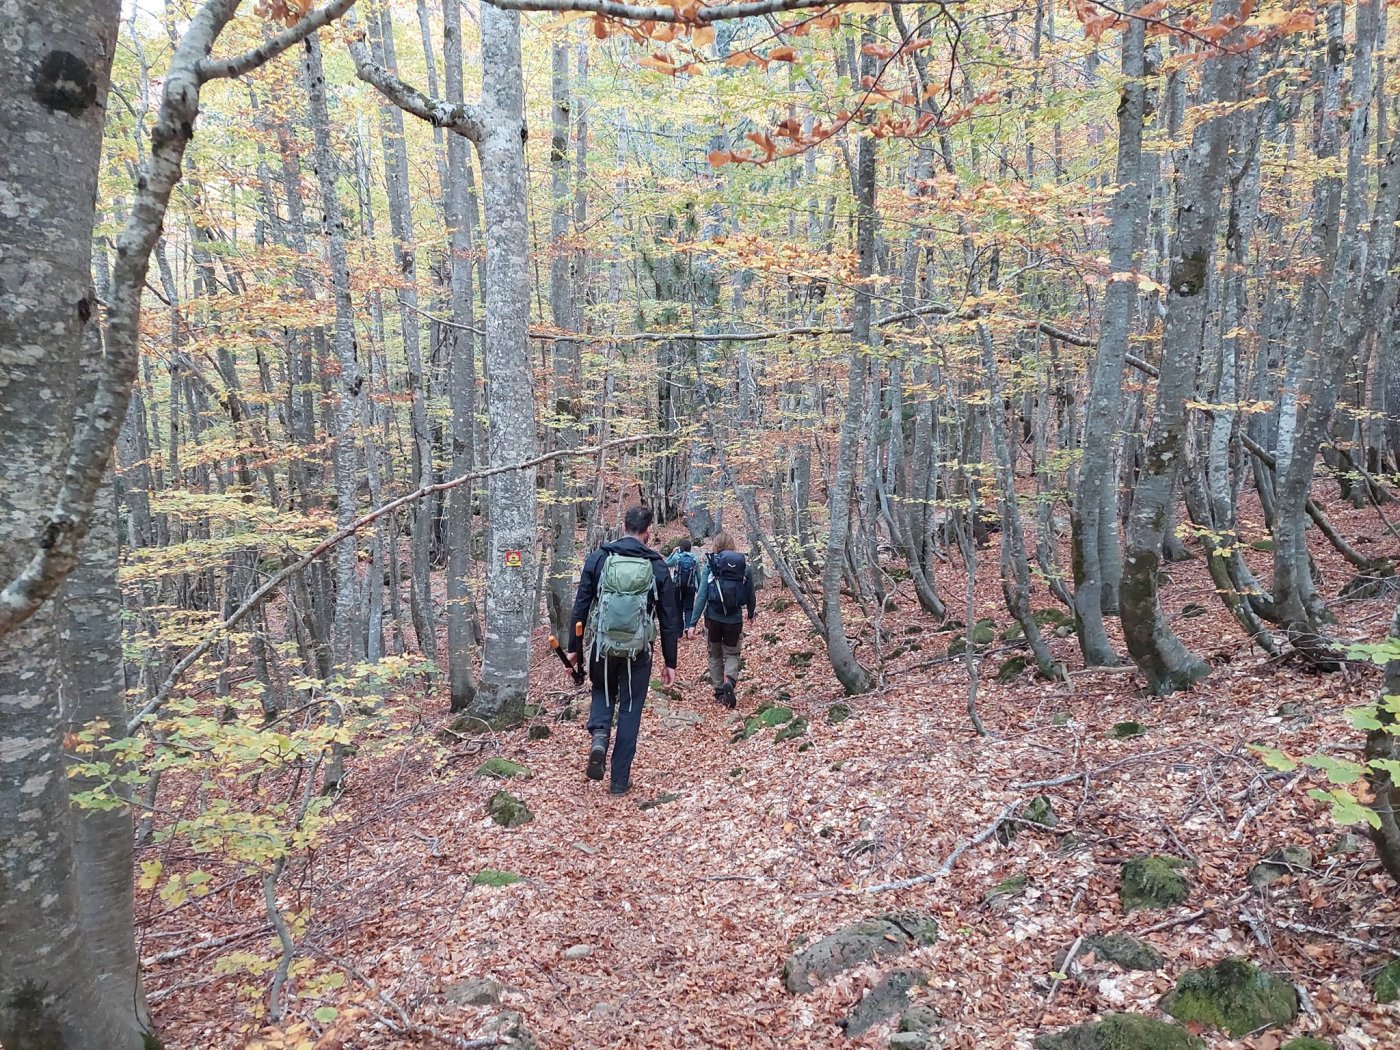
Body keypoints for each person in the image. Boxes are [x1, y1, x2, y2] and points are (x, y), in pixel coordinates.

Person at [569, 505, 680, 796]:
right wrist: (671, 661)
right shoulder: (656, 565)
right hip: (638, 653)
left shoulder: (600, 558)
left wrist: (574, 649)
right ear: (648, 532)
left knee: (602, 692)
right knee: (630, 709)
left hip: (602, 648)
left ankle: (600, 736)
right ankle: (619, 781)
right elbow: (669, 618)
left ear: (623, 526)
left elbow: (580, 606)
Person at [685, 531, 756, 708]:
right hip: (734, 619)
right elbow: (750, 593)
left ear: (715, 546)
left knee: (715, 654)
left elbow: (701, 596)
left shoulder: (710, 566)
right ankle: (729, 681)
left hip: (713, 619)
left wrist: (692, 623)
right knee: (732, 653)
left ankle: (719, 692)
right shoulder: (743, 568)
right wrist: (751, 613)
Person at [666, 538, 700, 627]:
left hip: (677, 586)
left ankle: (679, 631)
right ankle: (688, 627)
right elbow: (698, 576)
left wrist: (672, 553)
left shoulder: (677, 558)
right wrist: (699, 588)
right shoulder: (695, 559)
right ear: (690, 548)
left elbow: (666, 563)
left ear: (680, 548)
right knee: (689, 608)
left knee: (678, 608)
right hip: (690, 586)